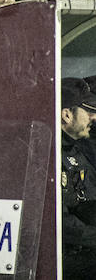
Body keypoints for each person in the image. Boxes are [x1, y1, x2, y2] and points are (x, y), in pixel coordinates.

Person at [60, 77, 96, 276]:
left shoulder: (76, 153)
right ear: (66, 114)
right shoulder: (50, 155)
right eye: (89, 112)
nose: (94, 118)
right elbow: (58, 221)